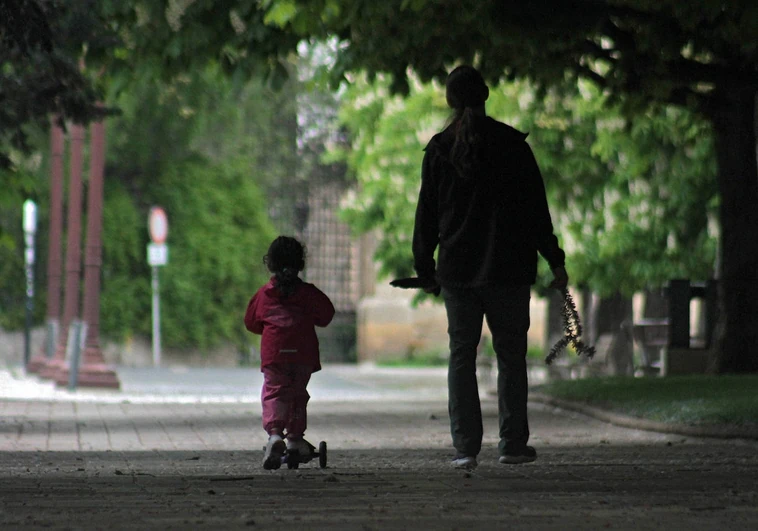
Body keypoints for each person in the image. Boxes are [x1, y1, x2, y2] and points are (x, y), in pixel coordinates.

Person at [412, 65, 568, 470]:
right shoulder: (514, 146)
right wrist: (555, 260)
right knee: (511, 355)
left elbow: (426, 216)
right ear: (486, 95)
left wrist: (424, 267)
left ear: (450, 101)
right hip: (509, 267)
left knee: (461, 354)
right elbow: (537, 214)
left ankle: (465, 448)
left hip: (459, 270)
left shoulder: (439, 150)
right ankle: (512, 444)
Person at [244, 236, 335, 470]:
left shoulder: (264, 295)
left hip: (275, 353)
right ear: (300, 263)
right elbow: (326, 315)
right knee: (297, 393)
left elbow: (251, 323)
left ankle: (275, 435)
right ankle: (295, 438)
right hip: (303, 353)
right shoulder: (308, 294)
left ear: (270, 263)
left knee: (274, 392)